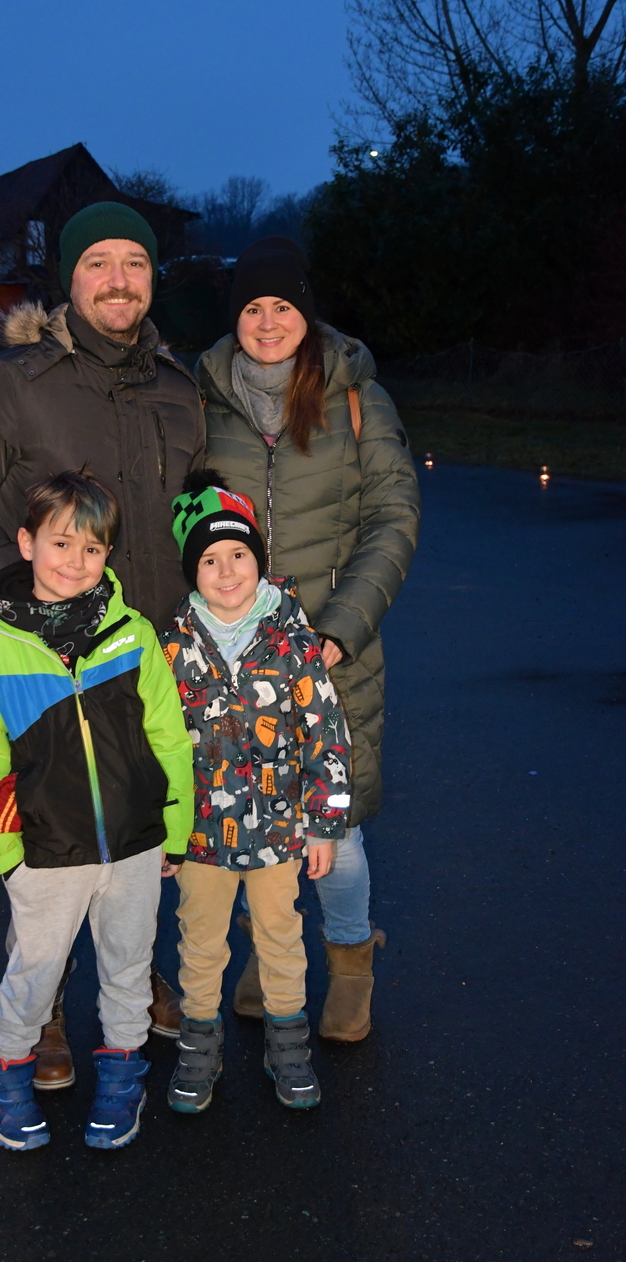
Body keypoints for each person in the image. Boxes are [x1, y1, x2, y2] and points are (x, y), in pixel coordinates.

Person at [0, 201, 207, 1059]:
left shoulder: (179, 388)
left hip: (146, 652)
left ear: (152, 278)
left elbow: (194, 506)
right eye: (98, 263)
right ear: (69, 279)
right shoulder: (15, 381)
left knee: (137, 824)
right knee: (48, 838)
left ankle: (137, 972)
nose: (118, 280)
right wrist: (8, 581)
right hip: (51, 661)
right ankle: (40, 1004)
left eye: (135, 263)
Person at [197, 237, 421, 1042]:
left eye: (282, 307)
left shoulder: (357, 398)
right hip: (233, 658)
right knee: (253, 818)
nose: (266, 323)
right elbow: (185, 520)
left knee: (337, 825)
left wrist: (337, 631)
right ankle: (271, 954)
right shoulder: (204, 399)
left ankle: (352, 960)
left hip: (329, 655)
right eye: (251, 308)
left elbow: (392, 519)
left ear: (307, 313)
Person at [0, 470, 193, 1151]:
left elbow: (169, 737)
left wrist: (173, 830)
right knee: (36, 972)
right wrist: (8, 856)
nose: (75, 561)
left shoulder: (132, 635)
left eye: (92, 548)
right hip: (45, 853)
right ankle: (4, 1072)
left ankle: (122, 1072)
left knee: (128, 966)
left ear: (107, 554)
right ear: (26, 543)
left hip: (135, 841)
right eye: (60, 543)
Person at [161, 471, 350, 1112]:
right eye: (209, 560)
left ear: (259, 559)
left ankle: (288, 1040)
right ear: (192, 572)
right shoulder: (172, 648)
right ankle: (199, 1041)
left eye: (239, 554)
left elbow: (327, 736)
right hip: (201, 837)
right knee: (200, 940)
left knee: (280, 935)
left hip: (279, 830)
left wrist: (324, 824)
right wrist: (162, 829)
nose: (227, 571)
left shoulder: (294, 643)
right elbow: (154, 747)